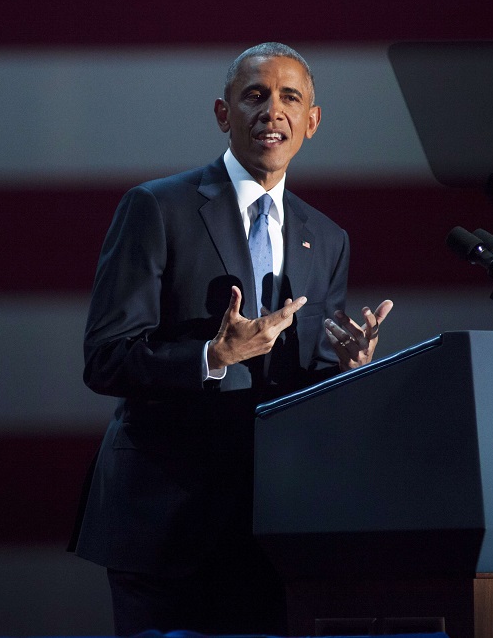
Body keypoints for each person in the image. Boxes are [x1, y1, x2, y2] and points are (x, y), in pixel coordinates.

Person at [70, 42, 393, 636]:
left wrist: (347, 373)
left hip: (271, 527)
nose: (274, 110)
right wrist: (211, 358)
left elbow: (304, 387)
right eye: (255, 95)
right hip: (166, 523)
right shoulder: (156, 208)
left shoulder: (326, 238)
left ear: (311, 122)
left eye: (290, 97)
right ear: (224, 114)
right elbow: (105, 358)